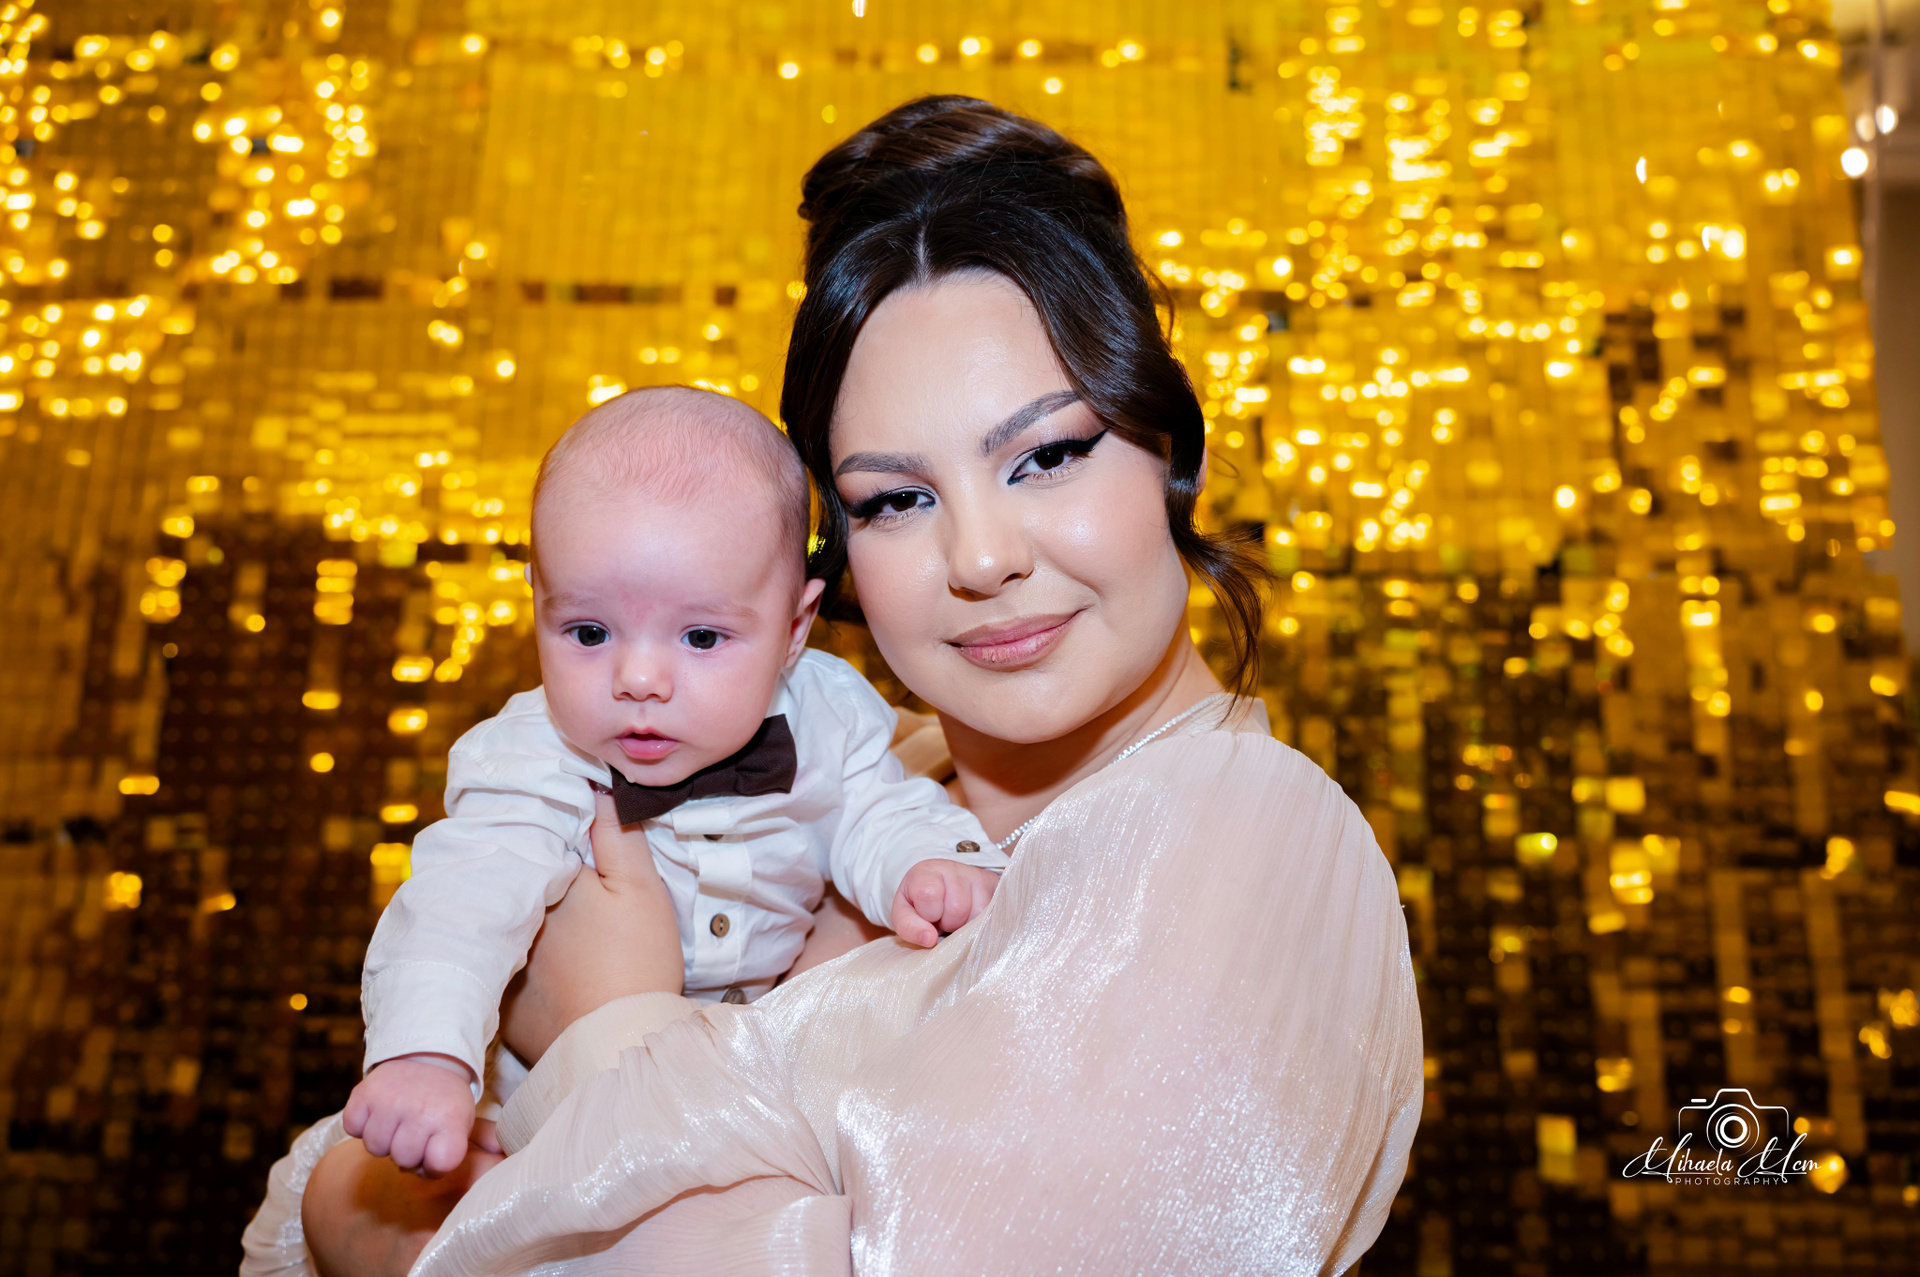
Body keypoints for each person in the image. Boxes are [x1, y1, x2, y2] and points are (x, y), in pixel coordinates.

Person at [249, 95, 1422, 1277]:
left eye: (1049, 453)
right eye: (894, 498)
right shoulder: (856, 771)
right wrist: (367, 1196)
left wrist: (607, 1028)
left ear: (1168, 444)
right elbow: (353, 1189)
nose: (980, 557)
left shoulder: (1242, 830)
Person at [340, 387, 1005, 1176]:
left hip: (759, 1091)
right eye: (589, 631)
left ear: (794, 629)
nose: (639, 678)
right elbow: (462, 903)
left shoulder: (830, 716)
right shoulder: (532, 758)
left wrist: (929, 866)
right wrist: (426, 1054)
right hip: (551, 1105)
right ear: (537, 606)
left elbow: (881, 809)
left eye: (701, 637)